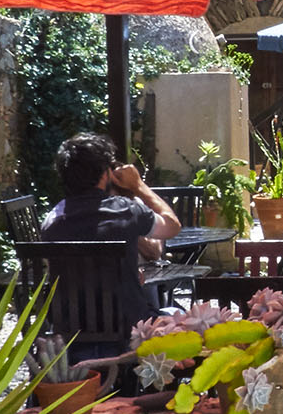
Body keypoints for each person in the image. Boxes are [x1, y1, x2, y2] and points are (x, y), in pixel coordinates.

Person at [38, 132, 182, 331]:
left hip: (70, 334)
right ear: (105, 173)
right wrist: (138, 186)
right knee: (180, 315)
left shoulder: (51, 221)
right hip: (131, 331)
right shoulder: (127, 211)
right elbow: (172, 226)